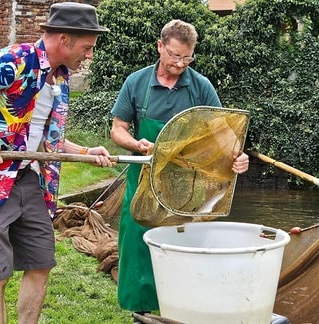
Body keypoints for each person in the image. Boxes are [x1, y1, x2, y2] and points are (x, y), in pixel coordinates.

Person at [0, 3, 114, 323]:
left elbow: (39, 137)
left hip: (30, 180)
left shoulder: (57, 77)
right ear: (65, 39)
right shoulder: (15, 61)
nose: (89, 55)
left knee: (40, 263)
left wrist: (85, 152)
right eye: (87, 48)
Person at [110, 19, 250, 314]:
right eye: (174, 55)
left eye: (187, 57)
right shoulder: (136, 82)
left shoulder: (201, 87)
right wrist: (137, 144)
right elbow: (118, 129)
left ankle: (181, 309)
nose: (180, 63)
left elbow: (223, 133)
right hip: (144, 179)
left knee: (184, 246)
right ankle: (140, 313)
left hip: (188, 184)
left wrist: (238, 155)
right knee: (138, 244)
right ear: (160, 47)